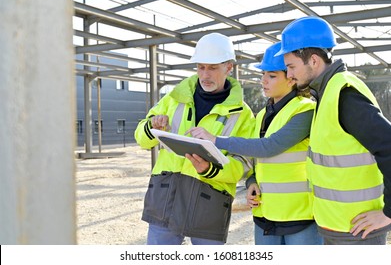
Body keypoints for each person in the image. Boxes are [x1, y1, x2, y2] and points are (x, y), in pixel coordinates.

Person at [187, 42, 323, 245]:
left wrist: (216, 140)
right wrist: (251, 182)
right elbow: (254, 161)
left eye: (272, 76)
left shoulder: (305, 110)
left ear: (291, 79)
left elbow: (269, 147)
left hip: (300, 217)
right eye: (263, 75)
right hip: (265, 216)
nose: (263, 81)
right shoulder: (260, 116)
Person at [273, 16, 391, 245]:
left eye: (291, 67)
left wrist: (389, 213)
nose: (289, 75)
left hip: (358, 233)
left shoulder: (345, 95)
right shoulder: (325, 94)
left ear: (314, 61)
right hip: (338, 228)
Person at [134, 32, 254, 245]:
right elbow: (142, 139)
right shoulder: (173, 99)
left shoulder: (242, 114)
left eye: (213, 67)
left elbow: (244, 164)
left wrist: (210, 169)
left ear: (229, 67)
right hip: (166, 195)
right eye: (201, 67)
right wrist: (152, 127)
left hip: (209, 200)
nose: (205, 75)